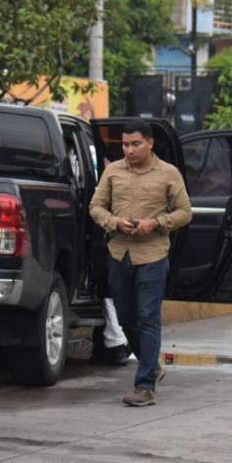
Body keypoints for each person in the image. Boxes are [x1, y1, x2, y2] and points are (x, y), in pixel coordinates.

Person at [89, 120, 192, 407]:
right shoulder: (113, 171)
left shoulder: (168, 174)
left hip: (153, 256)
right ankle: (153, 365)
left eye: (135, 144)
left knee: (148, 318)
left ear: (149, 143)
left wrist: (156, 223)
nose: (130, 150)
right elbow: (96, 207)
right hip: (119, 254)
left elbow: (185, 212)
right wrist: (114, 222)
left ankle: (144, 385)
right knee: (125, 319)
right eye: (125, 145)